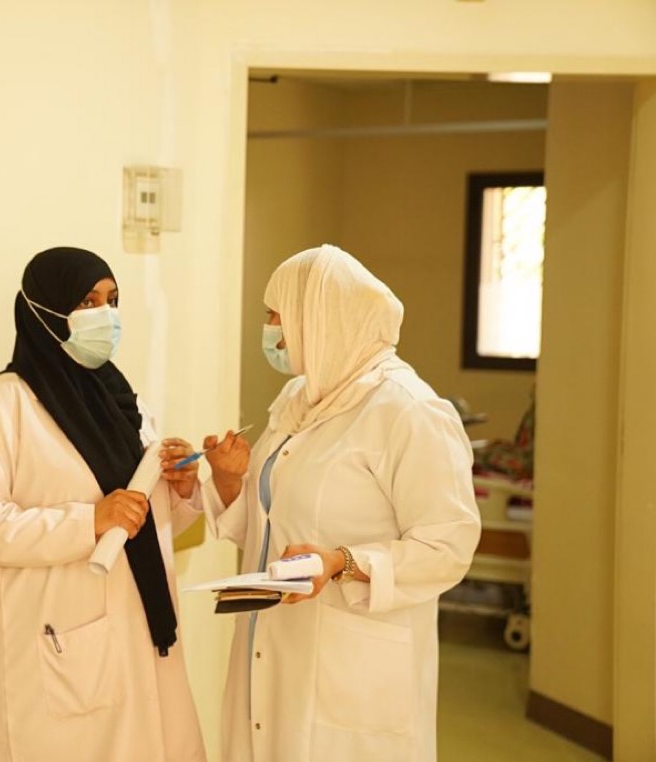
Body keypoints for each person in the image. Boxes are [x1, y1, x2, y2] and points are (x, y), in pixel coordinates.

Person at [202, 244, 481, 761]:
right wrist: (227, 479)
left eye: (278, 315)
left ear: (321, 317)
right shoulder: (298, 399)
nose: (271, 330)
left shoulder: (409, 411)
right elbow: (271, 523)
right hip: (273, 640)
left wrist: (343, 563)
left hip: (352, 661)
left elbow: (448, 547)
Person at [0, 246, 206, 761]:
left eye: (112, 300)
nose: (105, 315)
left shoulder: (121, 401)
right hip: (55, 653)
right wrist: (88, 522)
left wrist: (181, 488)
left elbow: (140, 523)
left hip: (139, 636)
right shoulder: (1, 407)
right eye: (88, 301)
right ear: (46, 310)